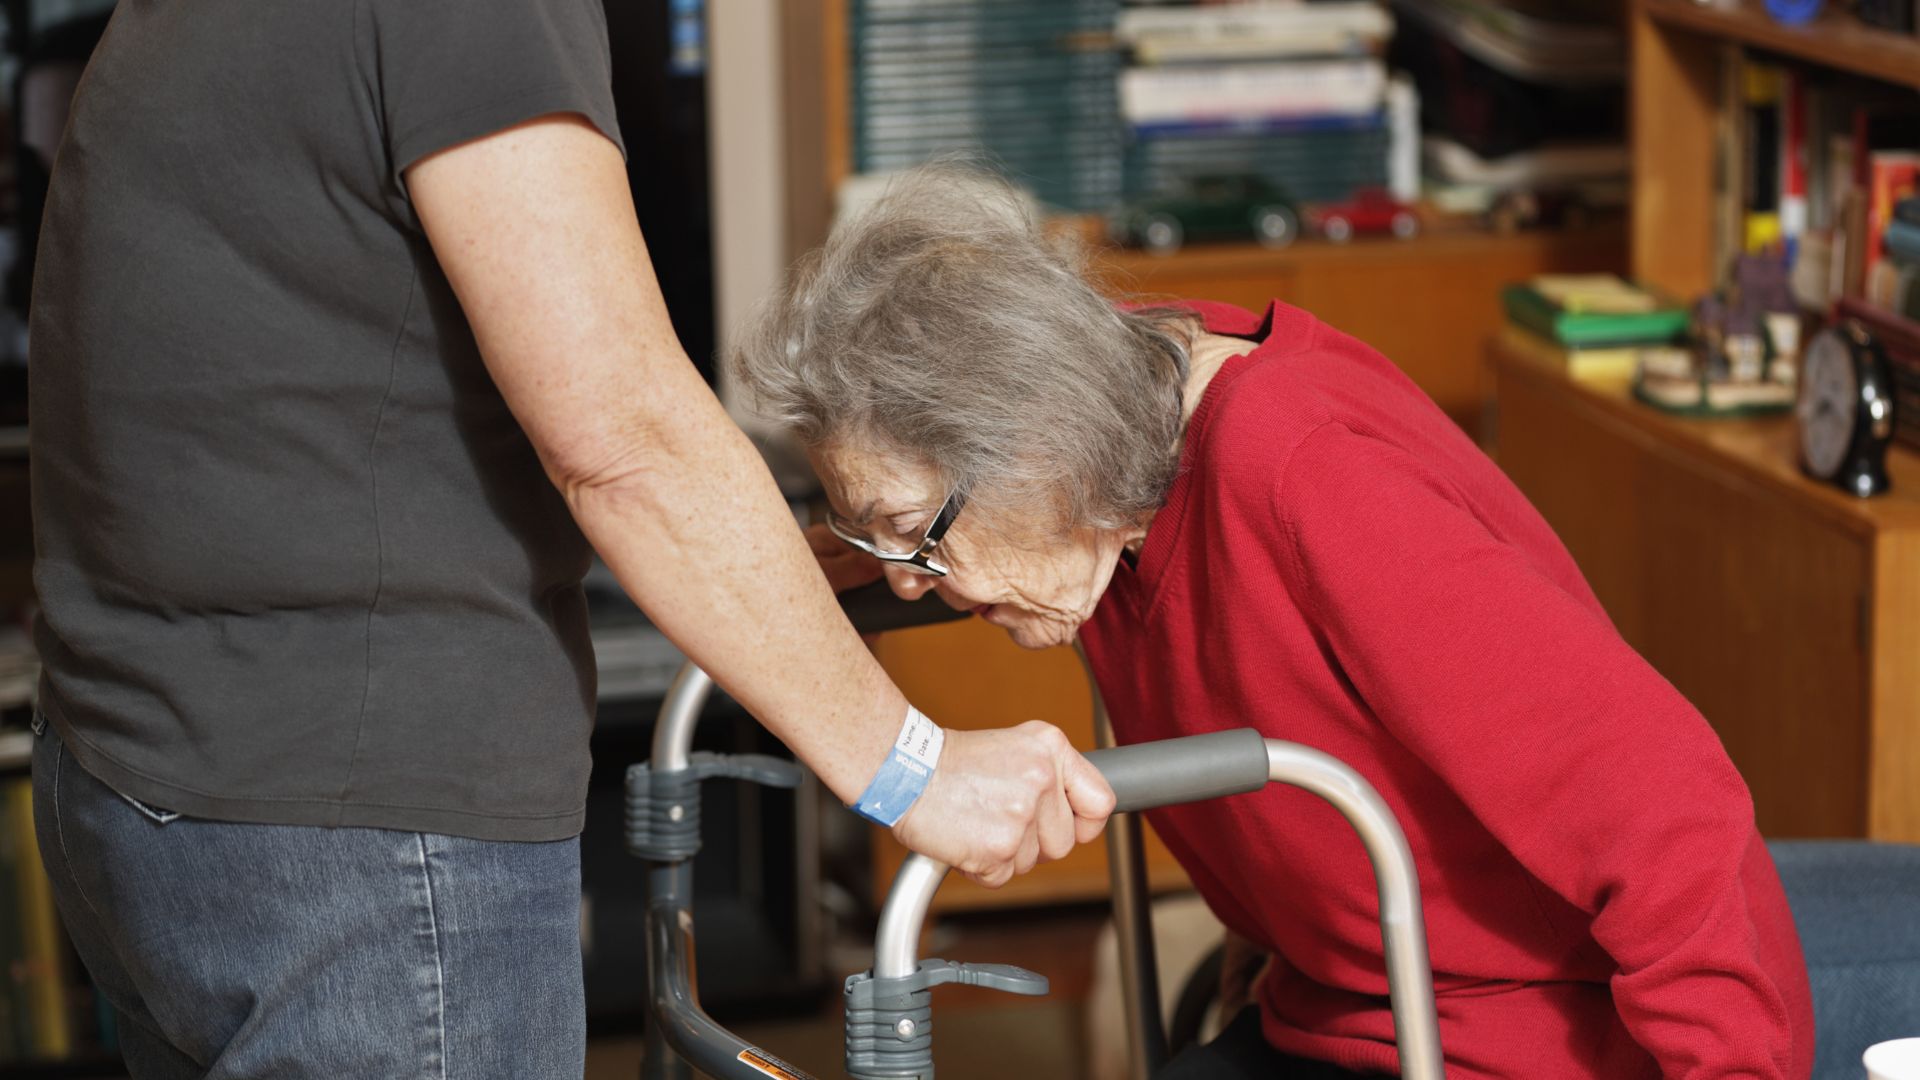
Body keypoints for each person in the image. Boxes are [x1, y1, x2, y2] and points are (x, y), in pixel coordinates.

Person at [26, 6, 1114, 1078]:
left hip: (134, 766)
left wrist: (765, 565)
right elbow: (623, 440)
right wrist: (910, 769)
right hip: (352, 823)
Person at [730, 165, 1816, 1079]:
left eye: (913, 536)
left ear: (1035, 446)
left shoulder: (1310, 478)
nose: (910, 580)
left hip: (1507, 1038)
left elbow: (1667, 810)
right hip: (1340, 1008)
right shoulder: (1099, 424)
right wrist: (825, 555)